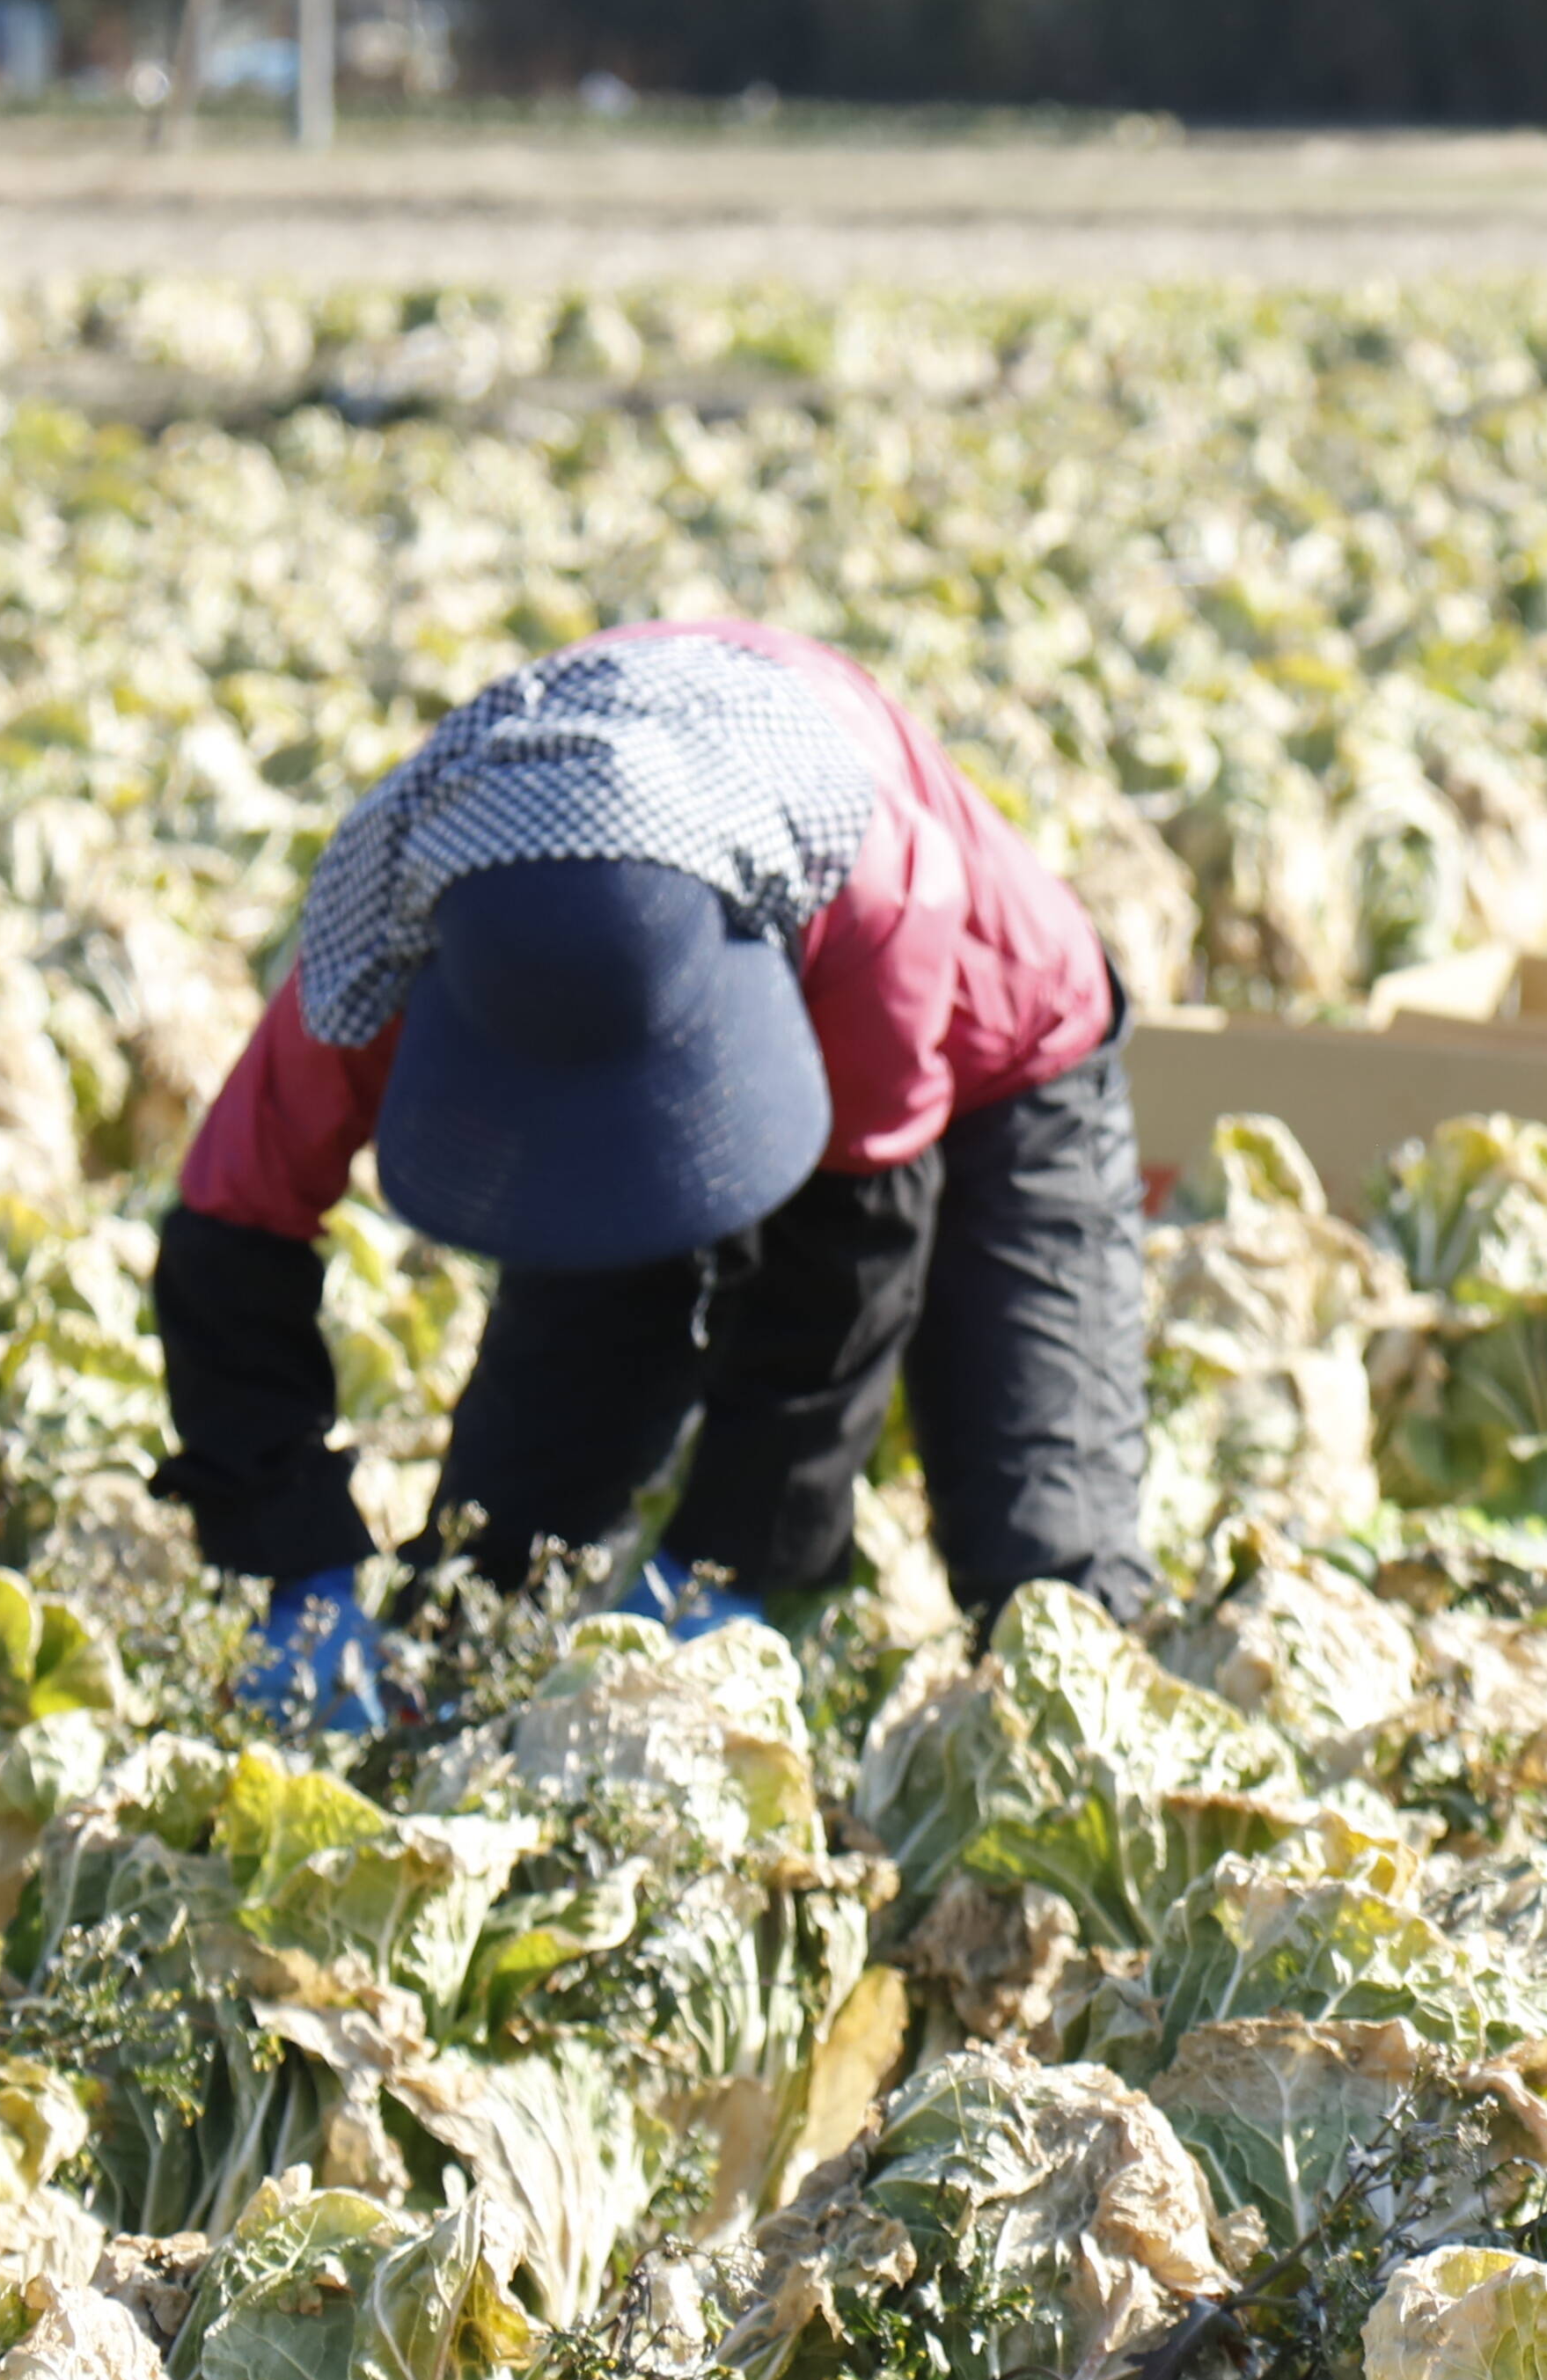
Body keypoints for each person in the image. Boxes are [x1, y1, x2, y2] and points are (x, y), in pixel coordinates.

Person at [150, 618, 1156, 1730]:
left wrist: (725, 1564)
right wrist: (290, 1553)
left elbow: (848, 1261)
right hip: (616, 1054)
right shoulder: (391, 934)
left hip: (997, 1062)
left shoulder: (869, 887)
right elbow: (231, 1229)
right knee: (499, 1569)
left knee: (1046, 1574)